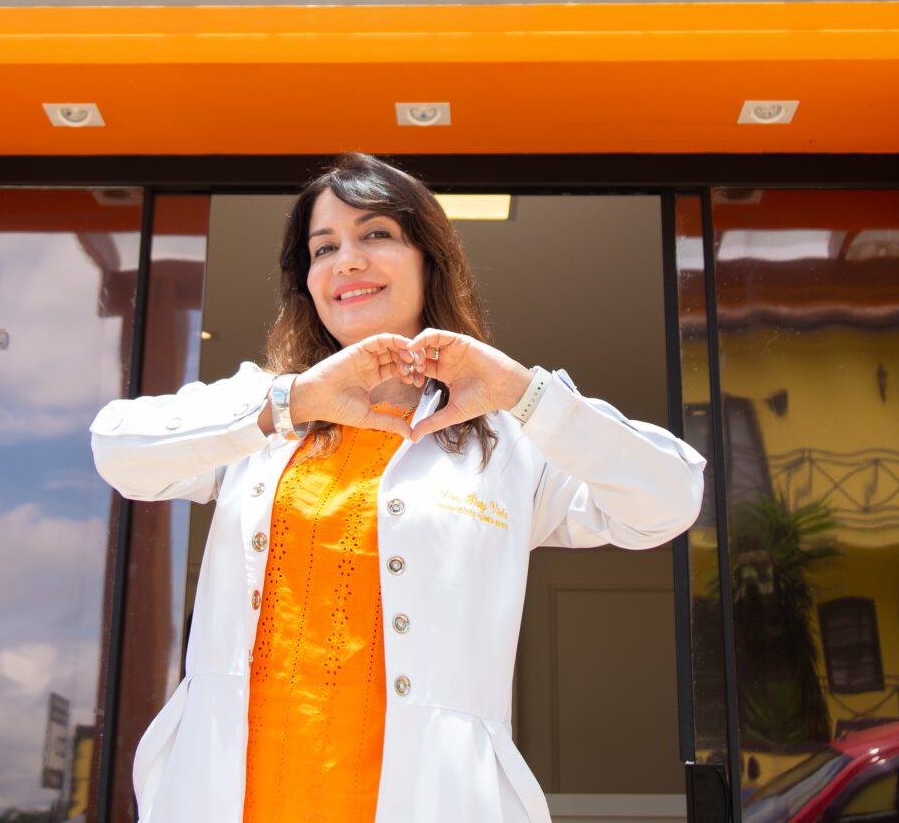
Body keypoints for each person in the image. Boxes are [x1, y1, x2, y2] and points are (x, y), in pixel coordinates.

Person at [90, 152, 707, 823]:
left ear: (429, 261)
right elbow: (118, 449)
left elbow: (668, 499)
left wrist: (524, 393)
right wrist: (290, 402)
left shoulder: (506, 437)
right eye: (323, 248)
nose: (346, 261)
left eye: (376, 233)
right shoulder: (265, 406)